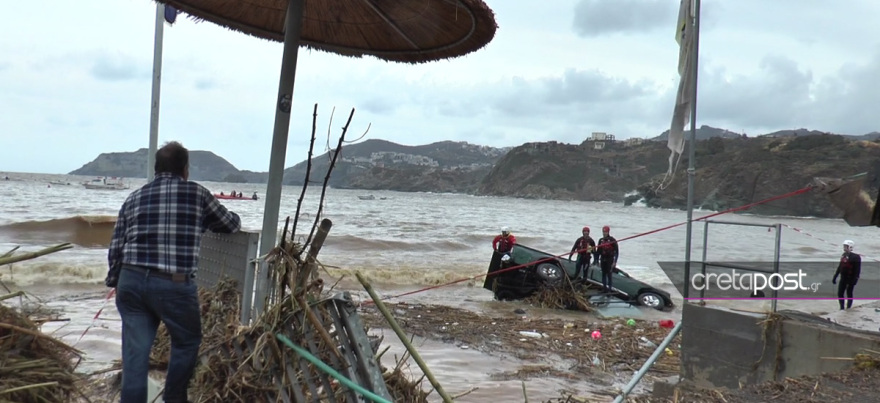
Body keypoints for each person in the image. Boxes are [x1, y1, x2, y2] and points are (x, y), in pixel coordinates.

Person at [105, 141, 241, 403]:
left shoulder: (133, 197)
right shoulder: (197, 194)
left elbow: (116, 245)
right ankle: (174, 399)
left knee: (136, 354)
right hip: (173, 285)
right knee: (186, 342)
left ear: (156, 169)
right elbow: (230, 224)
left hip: (131, 282)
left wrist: (115, 280)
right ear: (185, 169)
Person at [832, 239, 861, 310]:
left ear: (850, 247)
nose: (844, 248)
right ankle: (841, 308)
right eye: (844, 246)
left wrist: (855, 280)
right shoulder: (843, 255)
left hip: (850, 278)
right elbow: (840, 266)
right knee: (840, 293)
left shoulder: (856, 257)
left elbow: (857, 270)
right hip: (843, 278)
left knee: (849, 293)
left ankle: (848, 308)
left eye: (846, 246)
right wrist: (835, 276)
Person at [596, 225, 618, 293]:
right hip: (603, 259)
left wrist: (615, 262)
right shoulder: (601, 240)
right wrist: (597, 260)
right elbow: (598, 251)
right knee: (603, 274)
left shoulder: (612, 240)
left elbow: (617, 252)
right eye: (603, 232)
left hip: (610, 260)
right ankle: (604, 288)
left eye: (605, 232)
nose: (604, 233)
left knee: (609, 275)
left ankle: (609, 290)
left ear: (608, 232)